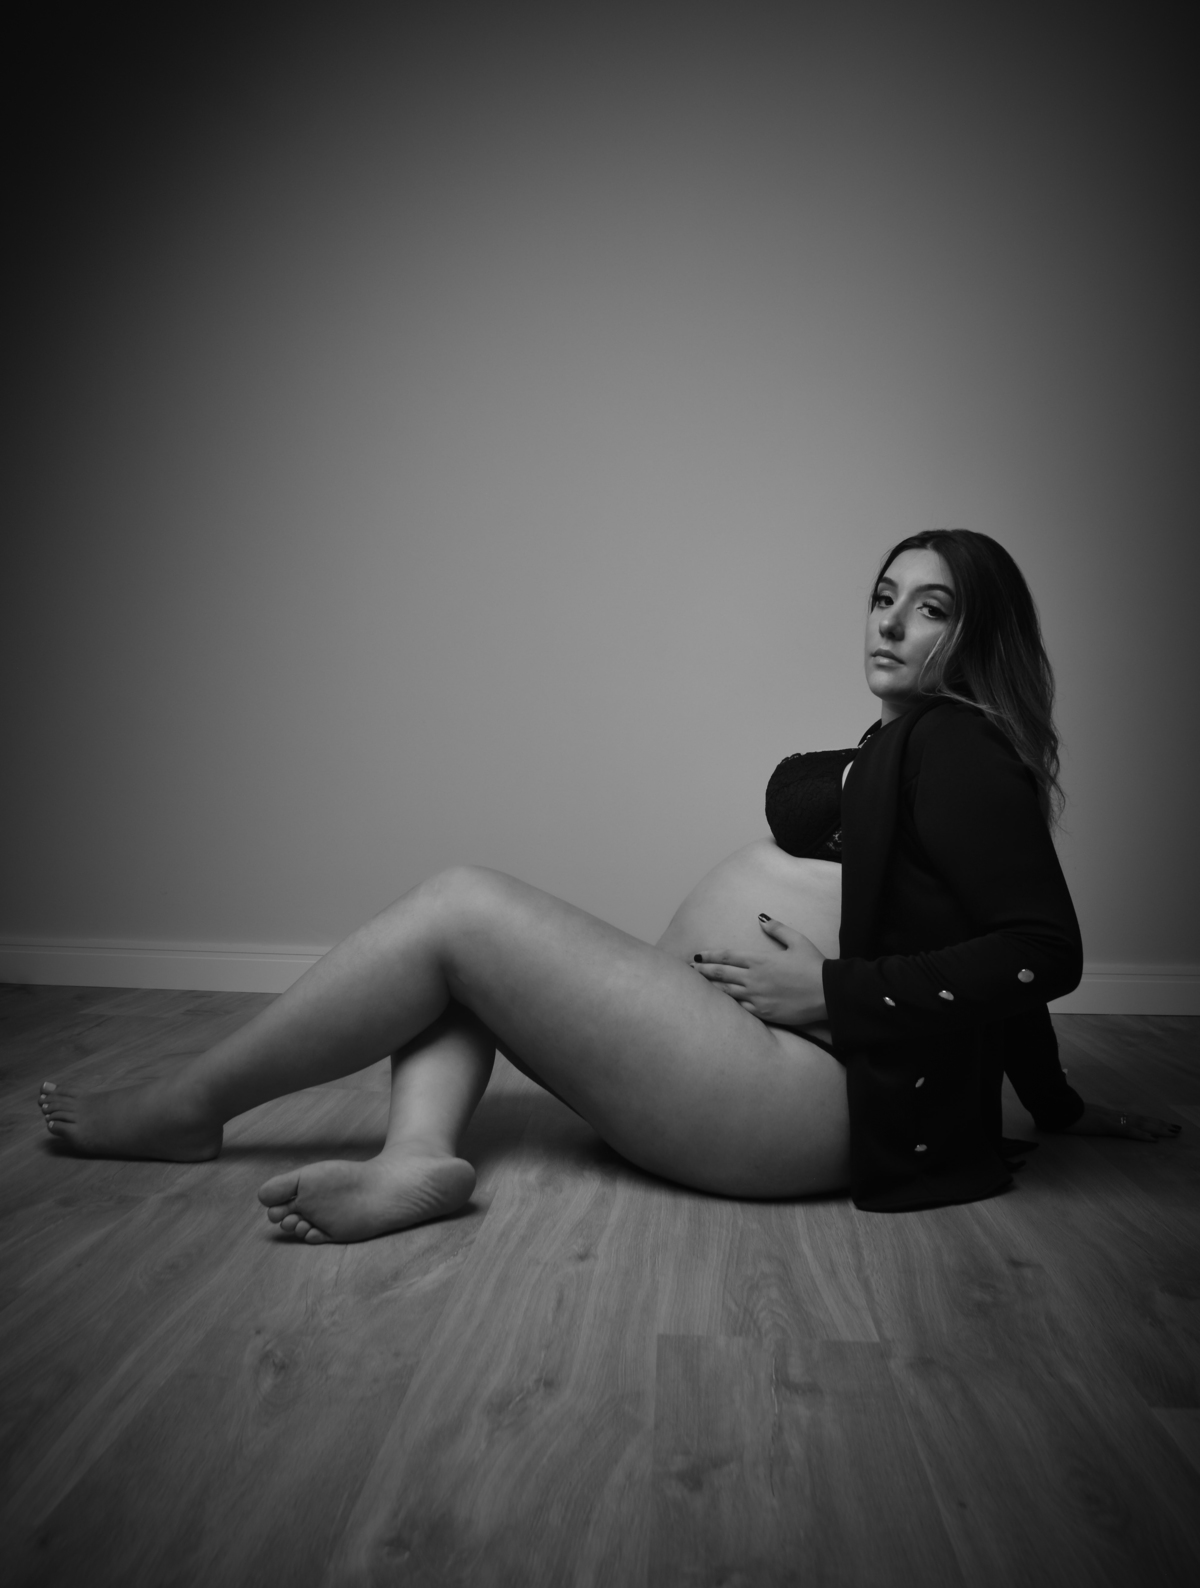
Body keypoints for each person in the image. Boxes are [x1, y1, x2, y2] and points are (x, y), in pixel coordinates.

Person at [38, 530, 1178, 1237]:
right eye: (884, 593)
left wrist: (831, 993)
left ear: (978, 636)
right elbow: (904, 866)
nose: (889, 618)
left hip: (814, 1098)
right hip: (775, 1069)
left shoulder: (959, 748)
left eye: (930, 606)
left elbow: (1039, 949)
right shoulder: (912, 745)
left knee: (462, 909)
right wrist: (1059, 1106)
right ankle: (416, 1157)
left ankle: (189, 1110)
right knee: (470, 959)